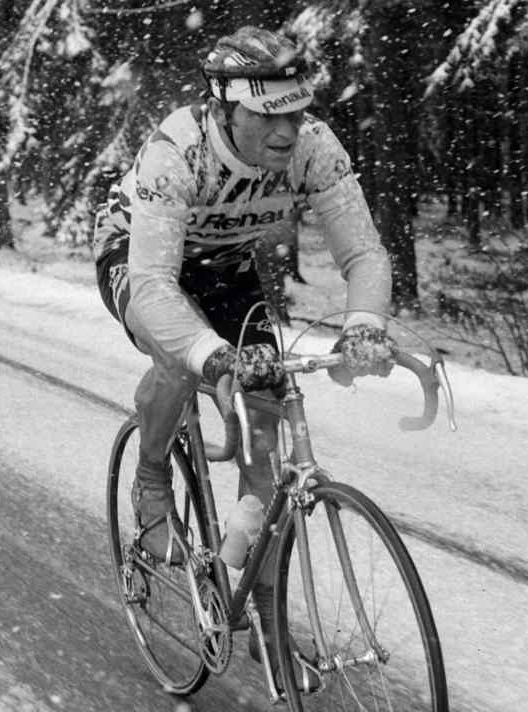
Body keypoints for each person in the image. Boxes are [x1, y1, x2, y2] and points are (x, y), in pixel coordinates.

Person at [93, 25, 395, 690]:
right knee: (181, 358)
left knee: (268, 424)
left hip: (225, 266)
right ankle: (151, 479)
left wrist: (365, 324)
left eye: (296, 113)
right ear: (225, 107)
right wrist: (211, 357)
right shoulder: (178, 149)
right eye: (268, 116)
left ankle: (264, 619)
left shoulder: (314, 147)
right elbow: (153, 287)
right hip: (139, 256)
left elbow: (363, 252)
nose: (287, 132)